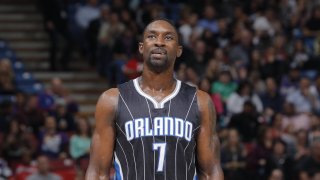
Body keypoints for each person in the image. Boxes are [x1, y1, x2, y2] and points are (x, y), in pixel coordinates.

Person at [85, 19, 223, 180]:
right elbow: (98, 172)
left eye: (168, 38)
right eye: (152, 36)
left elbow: (211, 172)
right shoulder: (112, 100)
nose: (159, 42)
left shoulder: (200, 101)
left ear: (178, 50)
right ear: (141, 47)